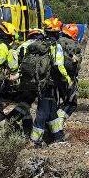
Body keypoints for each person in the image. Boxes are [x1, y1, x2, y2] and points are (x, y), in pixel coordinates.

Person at [30, 17, 72, 147]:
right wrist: (68, 79)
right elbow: (59, 65)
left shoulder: (39, 43)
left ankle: (58, 136)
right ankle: (34, 140)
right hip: (49, 83)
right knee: (43, 111)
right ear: (55, 32)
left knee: (52, 110)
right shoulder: (55, 46)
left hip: (39, 81)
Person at [7, 28, 46, 135]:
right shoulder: (40, 46)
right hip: (33, 80)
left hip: (20, 79)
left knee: (24, 103)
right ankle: (10, 120)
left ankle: (27, 128)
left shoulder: (22, 45)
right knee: (26, 103)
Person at [57, 23, 83, 124]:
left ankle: (54, 125)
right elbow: (76, 65)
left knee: (56, 102)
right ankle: (59, 122)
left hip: (53, 78)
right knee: (72, 103)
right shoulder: (74, 45)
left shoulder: (56, 42)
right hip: (67, 78)